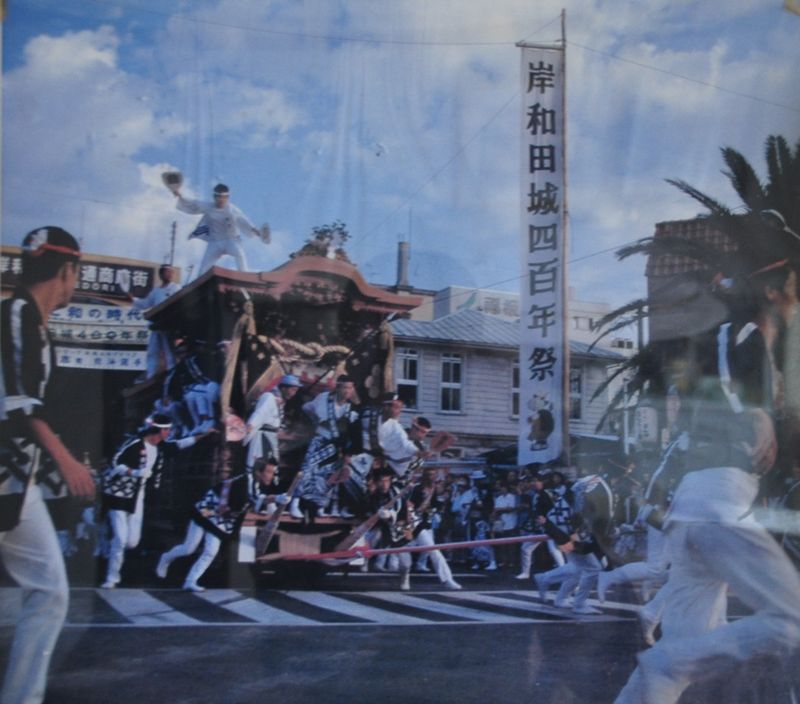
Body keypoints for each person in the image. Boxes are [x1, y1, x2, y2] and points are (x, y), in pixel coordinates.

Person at [614, 217, 800, 704]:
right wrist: (752, 411)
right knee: (791, 619)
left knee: (679, 648)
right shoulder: (740, 332)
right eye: (795, 289)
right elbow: (721, 362)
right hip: (719, 502)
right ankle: (672, 661)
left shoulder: (750, 340)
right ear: (775, 290)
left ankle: (664, 668)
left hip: (700, 505)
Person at [0, 226, 96, 704]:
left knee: (49, 590)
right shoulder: (17, 313)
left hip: (17, 481)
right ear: (68, 270)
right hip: (7, 475)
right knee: (48, 591)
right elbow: (20, 404)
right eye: (76, 273)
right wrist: (68, 463)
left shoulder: (33, 322)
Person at [101, 414, 209, 589]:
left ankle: (110, 543)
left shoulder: (161, 447)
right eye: (167, 429)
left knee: (131, 542)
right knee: (121, 539)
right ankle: (112, 577)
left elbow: (181, 444)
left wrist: (205, 434)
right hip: (120, 494)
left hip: (138, 497)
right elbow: (116, 462)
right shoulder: (136, 444)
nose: (169, 432)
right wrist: (134, 472)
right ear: (158, 429)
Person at [157, 455, 287, 591]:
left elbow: (256, 499)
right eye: (269, 472)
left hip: (220, 520)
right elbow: (255, 498)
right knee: (189, 548)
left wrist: (276, 499)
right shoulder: (244, 482)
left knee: (211, 552)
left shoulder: (254, 484)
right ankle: (166, 558)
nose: (271, 476)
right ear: (258, 472)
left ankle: (190, 581)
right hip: (205, 512)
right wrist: (276, 498)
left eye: (273, 472)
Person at [290, 375, 358, 518]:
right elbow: (306, 408)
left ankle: (320, 505)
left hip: (335, 446)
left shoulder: (351, 409)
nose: (347, 391)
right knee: (307, 470)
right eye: (345, 387)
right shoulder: (324, 398)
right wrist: (316, 422)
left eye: (350, 388)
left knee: (327, 475)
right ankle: (294, 503)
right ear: (338, 388)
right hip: (320, 440)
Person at [173, 182, 266, 276]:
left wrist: (255, 230)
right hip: (215, 242)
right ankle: (201, 281)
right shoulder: (208, 207)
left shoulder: (232, 210)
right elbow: (194, 204)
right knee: (204, 267)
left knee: (240, 254)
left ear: (227, 198)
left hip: (231, 240)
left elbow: (243, 221)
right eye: (218, 197)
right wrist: (180, 195)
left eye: (223, 197)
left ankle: (244, 277)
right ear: (214, 197)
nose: (221, 200)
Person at [123, 264, 181, 378]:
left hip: (168, 325)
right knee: (152, 352)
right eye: (167, 272)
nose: (170, 274)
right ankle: (150, 376)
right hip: (156, 324)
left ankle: (172, 376)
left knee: (169, 353)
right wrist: (133, 299)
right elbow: (145, 303)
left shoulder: (176, 288)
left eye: (171, 272)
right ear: (161, 274)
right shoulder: (156, 291)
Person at [245, 373, 303, 469]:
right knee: (256, 466)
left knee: (270, 467)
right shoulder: (269, 397)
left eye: (295, 391)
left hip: (271, 437)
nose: (294, 393)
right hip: (262, 436)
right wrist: (250, 427)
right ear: (284, 388)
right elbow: (260, 413)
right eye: (292, 390)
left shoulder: (280, 401)